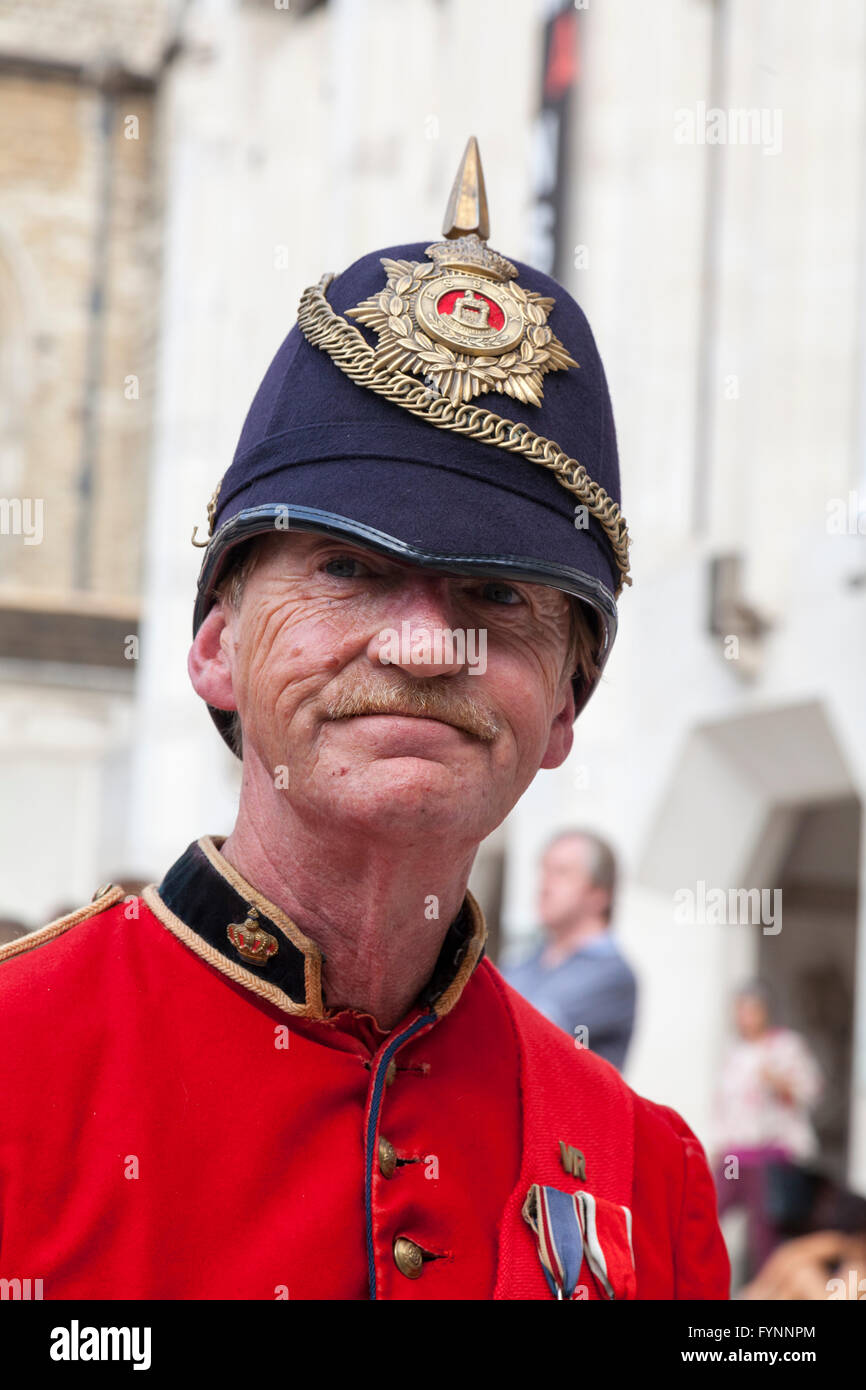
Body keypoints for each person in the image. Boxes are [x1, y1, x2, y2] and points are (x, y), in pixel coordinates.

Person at [0, 138, 729, 1301]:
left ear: (562, 707)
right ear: (214, 647)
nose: (421, 644)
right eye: (344, 568)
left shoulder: (649, 1177)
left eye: (495, 597)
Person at [712, 980, 823, 1282]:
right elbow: (724, 1106)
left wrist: (777, 1081)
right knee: (706, 1214)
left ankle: (767, 1291)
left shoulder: (785, 1046)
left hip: (771, 1155)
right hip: (735, 1155)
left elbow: (809, 1092)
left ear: (764, 1011)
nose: (743, 1017)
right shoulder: (734, 1053)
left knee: (764, 1235)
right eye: (740, 1011)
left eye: (749, 1010)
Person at [503, 829, 636, 1069]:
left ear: (599, 894)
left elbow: (521, 1032)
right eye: (544, 871)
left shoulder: (613, 976)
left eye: (561, 873)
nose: (544, 885)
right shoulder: (523, 962)